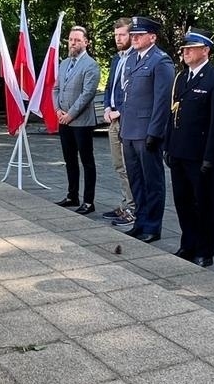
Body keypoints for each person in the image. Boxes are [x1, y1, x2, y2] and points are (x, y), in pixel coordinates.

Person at [166, 30, 214, 266]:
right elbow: (173, 113)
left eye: (191, 48)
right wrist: (168, 145)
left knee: (203, 203)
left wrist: (211, 157)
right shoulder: (181, 77)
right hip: (179, 150)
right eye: (184, 49)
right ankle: (188, 243)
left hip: (199, 154)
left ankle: (205, 250)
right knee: (182, 201)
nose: (186, 52)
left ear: (205, 50)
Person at [115, 16, 175, 243]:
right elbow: (125, 95)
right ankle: (140, 222)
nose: (135, 38)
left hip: (146, 132)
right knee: (136, 180)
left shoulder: (161, 61)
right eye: (133, 35)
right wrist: (123, 126)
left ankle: (152, 226)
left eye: (139, 35)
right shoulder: (131, 59)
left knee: (152, 182)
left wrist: (155, 132)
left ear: (152, 37)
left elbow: (162, 101)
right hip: (130, 129)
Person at [52, 26, 101, 214]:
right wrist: (58, 110)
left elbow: (87, 94)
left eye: (77, 40)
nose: (73, 43)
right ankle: (72, 195)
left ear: (86, 42)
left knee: (87, 161)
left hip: (81, 122)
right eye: (71, 39)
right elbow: (56, 88)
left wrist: (70, 114)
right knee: (69, 159)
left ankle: (88, 201)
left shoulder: (91, 65)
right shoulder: (64, 63)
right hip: (63, 120)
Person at [99, 18, 138, 226]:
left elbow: (135, 92)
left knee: (130, 165)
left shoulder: (136, 58)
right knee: (118, 165)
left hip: (128, 120)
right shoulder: (117, 59)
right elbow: (109, 87)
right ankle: (126, 204)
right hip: (113, 119)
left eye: (122, 35)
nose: (118, 39)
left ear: (131, 35)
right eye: (115, 35)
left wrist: (119, 111)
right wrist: (107, 107)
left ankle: (133, 208)